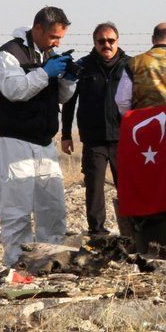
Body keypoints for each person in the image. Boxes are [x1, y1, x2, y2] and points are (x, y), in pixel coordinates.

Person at [0, 6, 77, 265]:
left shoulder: (49, 54)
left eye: (60, 38)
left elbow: (60, 97)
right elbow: (15, 90)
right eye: (53, 37)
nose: (57, 43)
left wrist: (68, 79)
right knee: (16, 210)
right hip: (13, 142)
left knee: (52, 208)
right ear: (38, 29)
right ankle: (17, 263)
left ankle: (47, 261)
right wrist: (44, 72)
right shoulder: (7, 55)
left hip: (44, 142)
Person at [61, 22, 130, 236]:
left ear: (117, 41)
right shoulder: (82, 67)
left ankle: (130, 230)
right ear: (94, 43)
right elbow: (69, 102)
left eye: (111, 41)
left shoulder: (130, 66)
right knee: (94, 187)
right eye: (101, 41)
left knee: (128, 188)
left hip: (123, 138)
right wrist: (65, 135)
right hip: (94, 139)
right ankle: (97, 232)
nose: (106, 45)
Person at [119, 23, 166, 111]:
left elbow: (122, 100)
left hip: (143, 121)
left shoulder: (134, 62)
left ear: (152, 39)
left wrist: (131, 117)